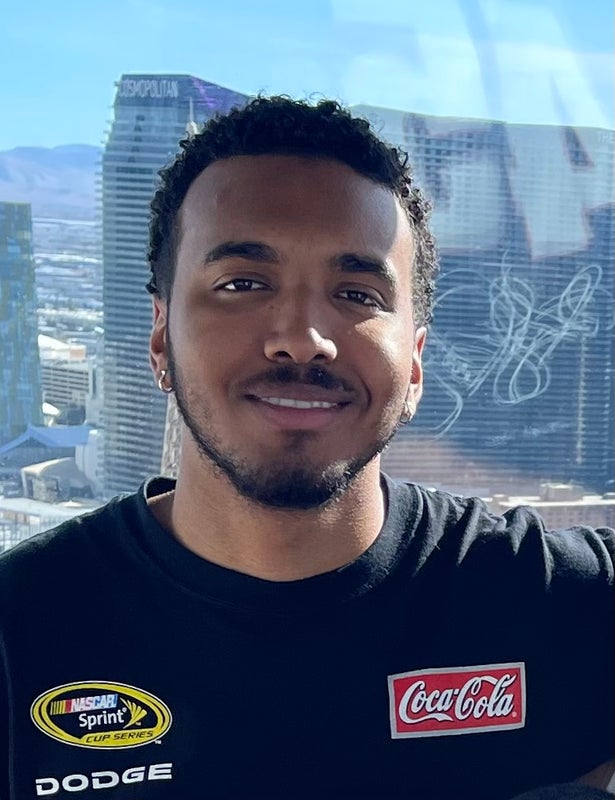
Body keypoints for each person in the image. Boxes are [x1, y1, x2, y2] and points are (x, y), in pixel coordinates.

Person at [0, 97, 612, 800]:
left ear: (414, 363)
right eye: (241, 284)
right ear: (160, 338)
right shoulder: (21, 631)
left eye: (357, 294)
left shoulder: (559, 601)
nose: (302, 338)